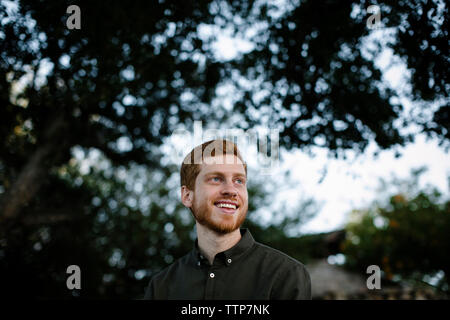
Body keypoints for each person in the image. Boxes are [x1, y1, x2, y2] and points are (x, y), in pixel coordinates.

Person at [144, 139, 311, 299]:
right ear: (187, 196)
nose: (231, 190)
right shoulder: (161, 287)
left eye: (239, 180)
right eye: (216, 179)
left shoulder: (285, 274)